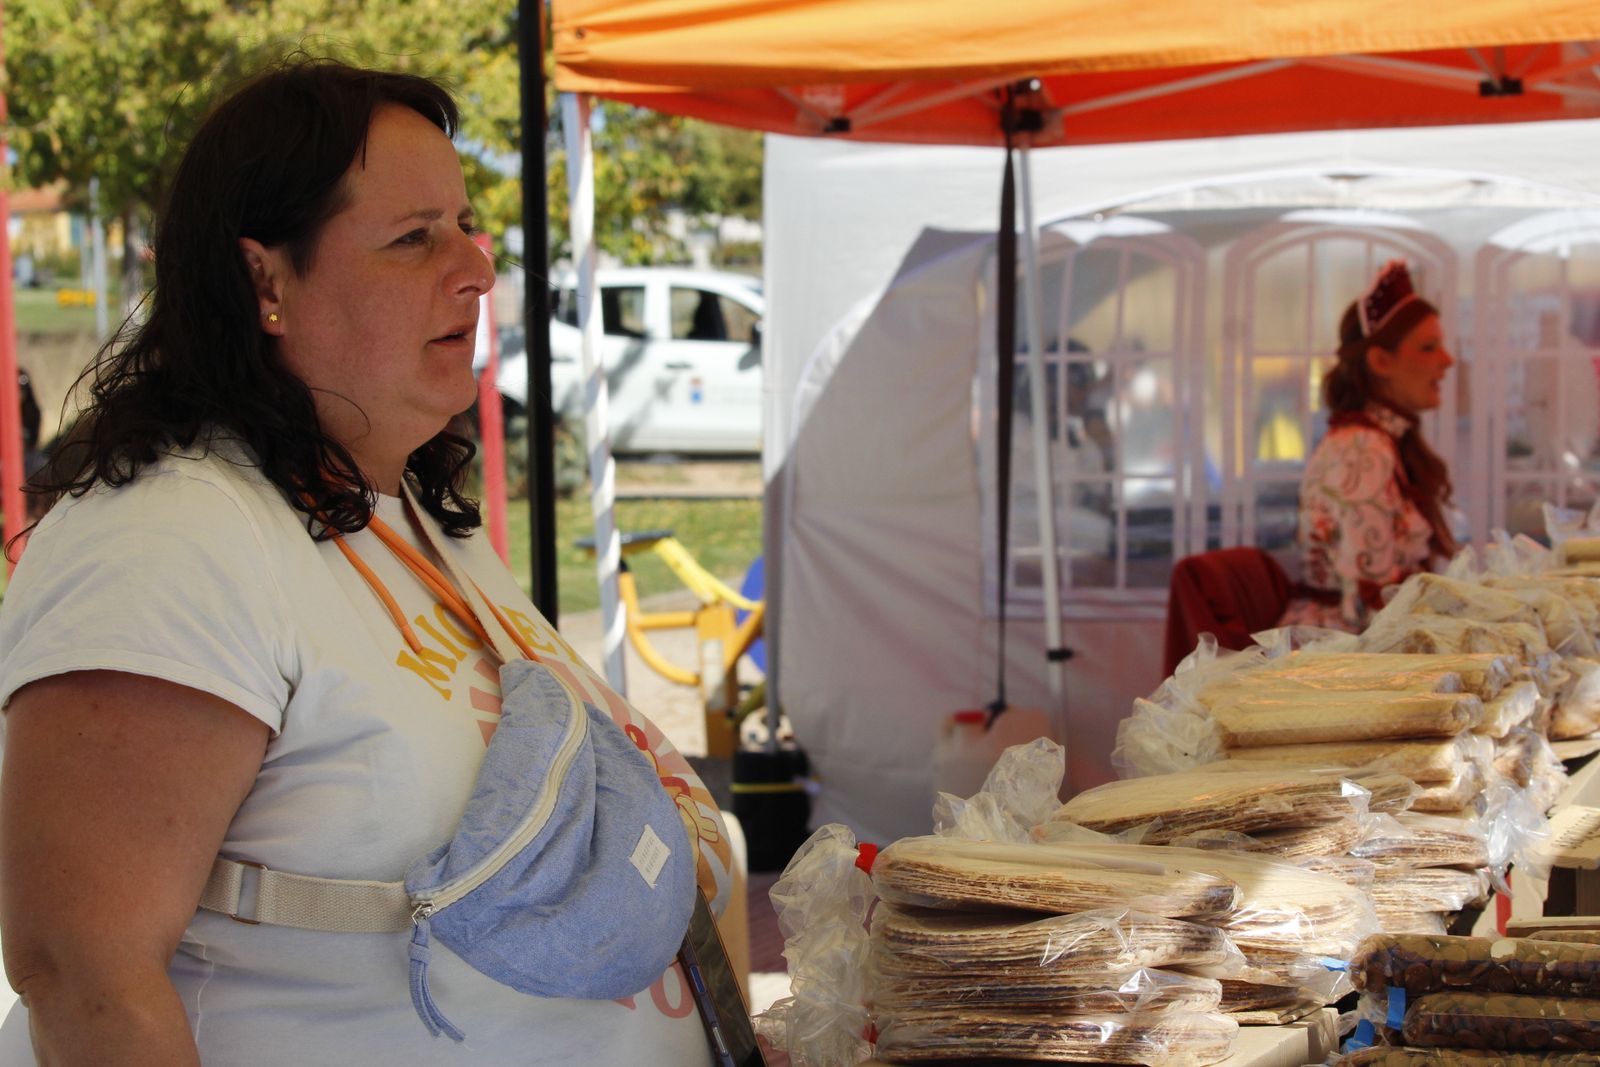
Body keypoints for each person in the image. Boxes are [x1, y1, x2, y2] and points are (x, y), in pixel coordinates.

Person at [0, 59, 732, 1065]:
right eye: (413, 238)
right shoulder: (168, 538)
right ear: (266, 282)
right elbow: (81, 971)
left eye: (466, 225)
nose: (475, 267)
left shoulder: (415, 512)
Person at [1277, 260, 1457, 632]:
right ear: (1380, 361)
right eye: (1428, 347)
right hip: (1336, 658)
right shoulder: (1362, 451)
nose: (1447, 360)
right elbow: (1367, 607)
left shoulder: (1378, 442)